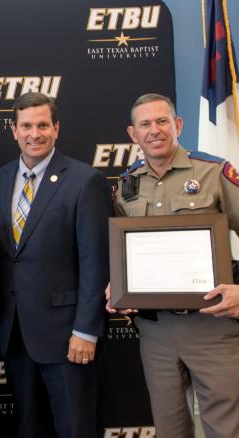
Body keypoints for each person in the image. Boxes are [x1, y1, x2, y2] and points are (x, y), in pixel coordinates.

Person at [107, 93, 239, 438]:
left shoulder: (213, 172)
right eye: (145, 124)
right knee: (169, 429)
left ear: (178, 125)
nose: (155, 130)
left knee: (226, 429)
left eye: (162, 121)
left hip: (212, 325)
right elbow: (124, 251)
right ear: (133, 134)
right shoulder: (125, 187)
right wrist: (116, 284)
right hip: (156, 332)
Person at [0, 92, 110, 438]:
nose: (34, 134)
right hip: (14, 331)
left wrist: (86, 330)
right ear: (13, 130)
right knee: (28, 426)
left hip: (67, 335)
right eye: (26, 126)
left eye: (42, 125)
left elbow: (95, 262)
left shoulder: (85, 181)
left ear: (56, 128)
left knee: (74, 427)